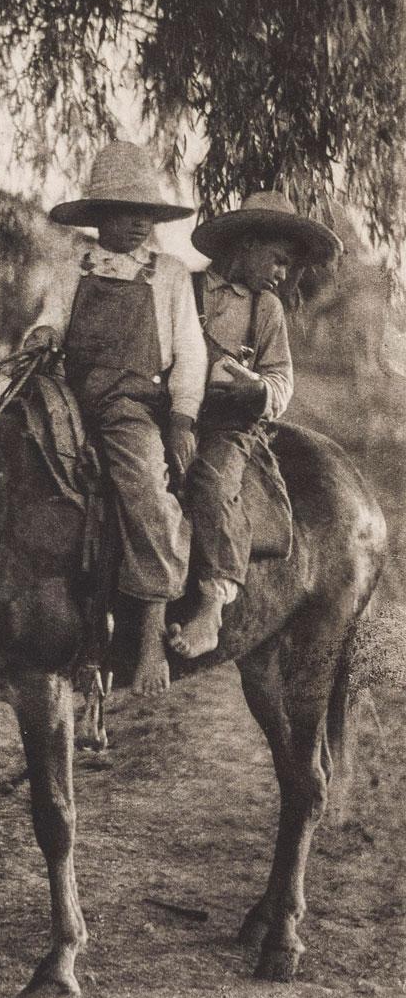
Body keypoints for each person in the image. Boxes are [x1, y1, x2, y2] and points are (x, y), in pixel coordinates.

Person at [24, 141, 208, 695]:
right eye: (123, 213)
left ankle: (150, 639)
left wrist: (181, 418)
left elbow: (190, 352)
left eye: (145, 214)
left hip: (129, 407)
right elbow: (51, 318)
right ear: (98, 216)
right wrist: (41, 335)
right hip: (67, 396)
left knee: (148, 491)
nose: (135, 225)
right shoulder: (72, 266)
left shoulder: (170, 274)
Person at [168, 191, 342, 658]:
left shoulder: (266, 309)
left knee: (210, 481)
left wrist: (258, 391)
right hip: (172, 413)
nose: (282, 274)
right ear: (247, 243)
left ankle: (212, 604)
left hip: (229, 425)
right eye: (279, 261)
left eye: (287, 266)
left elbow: (282, 377)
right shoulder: (181, 286)